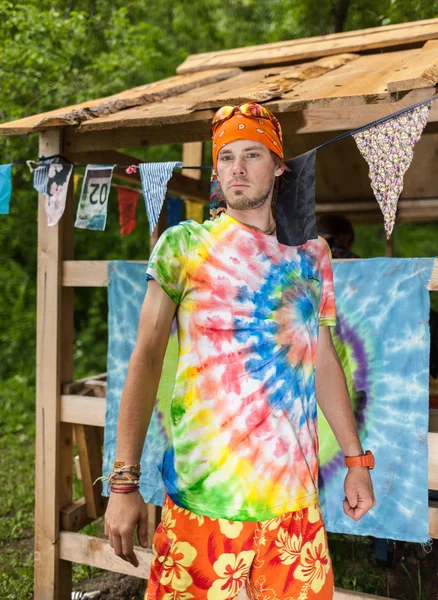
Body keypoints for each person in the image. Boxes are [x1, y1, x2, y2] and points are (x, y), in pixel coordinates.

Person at [104, 103, 376, 600]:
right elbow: (144, 356)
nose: (237, 168)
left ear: (279, 167)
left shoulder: (312, 255)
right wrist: (123, 482)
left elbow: (324, 359)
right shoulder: (184, 245)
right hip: (203, 507)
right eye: (226, 157)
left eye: (252, 154)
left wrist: (357, 461)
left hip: (295, 510)